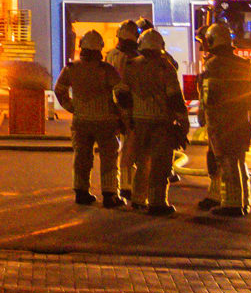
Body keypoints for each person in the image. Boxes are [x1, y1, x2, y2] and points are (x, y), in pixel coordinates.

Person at [54, 29, 126, 207]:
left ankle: (81, 192)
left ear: (82, 47)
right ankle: (110, 195)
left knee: (82, 157)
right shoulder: (107, 70)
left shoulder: (71, 69)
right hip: (106, 122)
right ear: (100, 49)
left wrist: (71, 107)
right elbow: (122, 94)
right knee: (109, 158)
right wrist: (121, 115)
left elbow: (59, 90)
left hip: (81, 122)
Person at [197, 21, 251, 217]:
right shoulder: (243, 63)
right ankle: (233, 200)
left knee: (226, 161)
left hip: (220, 121)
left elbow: (209, 96)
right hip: (241, 120)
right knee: (237, 160)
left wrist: (203, 114)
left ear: (213, 41)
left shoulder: (213, 64)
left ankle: (232, 204)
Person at [123, 29, 187, 216]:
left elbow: (123, 94)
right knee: (160, 165)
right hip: (161, 123)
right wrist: (183, 122)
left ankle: (138, 198)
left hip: (139, 122)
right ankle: (157, 202)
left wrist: (128, 118)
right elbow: (175, 97)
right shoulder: (165, 67)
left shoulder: (131, 66)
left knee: (142, 162)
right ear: (161, 47)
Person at [108, 20, 142, 203]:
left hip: (113, 107)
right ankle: (126, 187)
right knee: (130, 149)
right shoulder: (132, 58)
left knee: (116, 149)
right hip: (129, 106)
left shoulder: (111, 55)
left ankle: (117, 186)